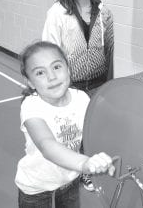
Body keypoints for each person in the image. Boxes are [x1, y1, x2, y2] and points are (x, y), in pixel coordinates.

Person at [42, 0, 114, 191]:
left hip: (97, 82)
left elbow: (110, 50)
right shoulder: (58, 12)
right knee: (71, 131)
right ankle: (72, 170)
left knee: (92, 127)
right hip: (70, 85)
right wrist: (54, 86)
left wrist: (109, 83)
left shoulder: (104, 12)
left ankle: (87, 168)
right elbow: (49, 50)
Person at [15, 41, 115, 208]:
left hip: (70, 180)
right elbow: (47, 145)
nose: (51, 77)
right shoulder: (31, 106)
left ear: (68, 69)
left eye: (56, 67)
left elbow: (98, 129)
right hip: (37, 187)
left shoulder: (81, 98)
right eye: (40, 72)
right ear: (30, 82)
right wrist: (84, 163)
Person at [42, 0, 114, 95]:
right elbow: (49, 52)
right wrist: (58, 85)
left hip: (99, 85)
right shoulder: (58, 12)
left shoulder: (104, 13)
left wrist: (109, 85)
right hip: (70, 87)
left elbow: (109, 52)